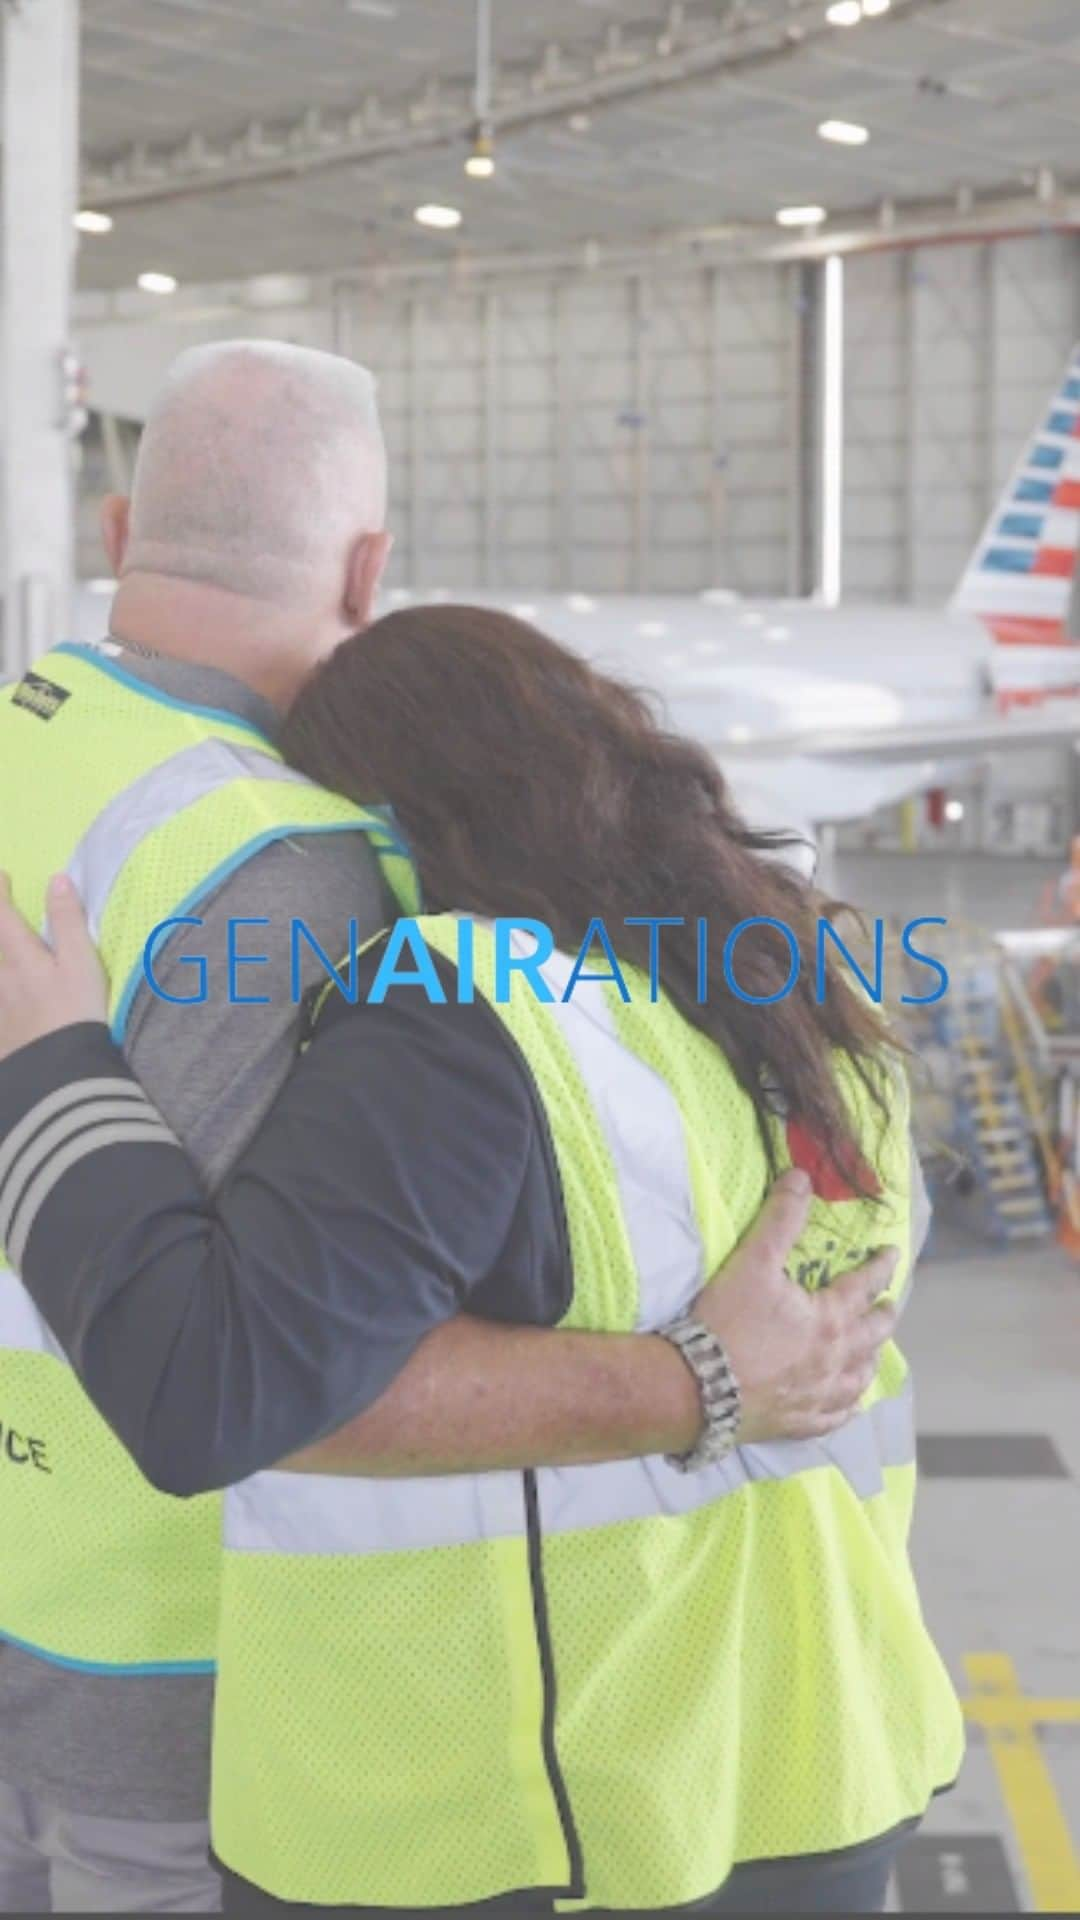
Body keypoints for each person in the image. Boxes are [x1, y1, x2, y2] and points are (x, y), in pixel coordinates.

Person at [0, 345, 898, 1915]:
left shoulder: (36, 745)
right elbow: (274, 1370)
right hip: (197, 1663)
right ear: (367, 564)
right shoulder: (301, 868)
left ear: (121, 520)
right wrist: (705, 1379)